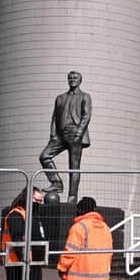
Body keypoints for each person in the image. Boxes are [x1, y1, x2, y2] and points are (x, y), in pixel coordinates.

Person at [0, 187, 47, 280]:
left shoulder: (33, 216)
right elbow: (18, 239)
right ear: (27, 199)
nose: (40, 203)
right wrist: (25, 261)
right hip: (16, 263)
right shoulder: (16, 214)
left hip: (34, 263)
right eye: (37, 200)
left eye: (41, 201)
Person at [39, 71, 92, 203]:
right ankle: (56, 182)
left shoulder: (85, 96)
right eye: (70, 78)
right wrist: (53, 135)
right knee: (44, 156)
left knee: (74, 167)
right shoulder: (60, 98)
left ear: (80, 80)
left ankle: (72, 197)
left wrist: (79, 133)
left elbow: (86, 116)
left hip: (75, 133)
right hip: (61, 135)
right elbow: (55, 117)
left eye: (75, 78)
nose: (72, 79)